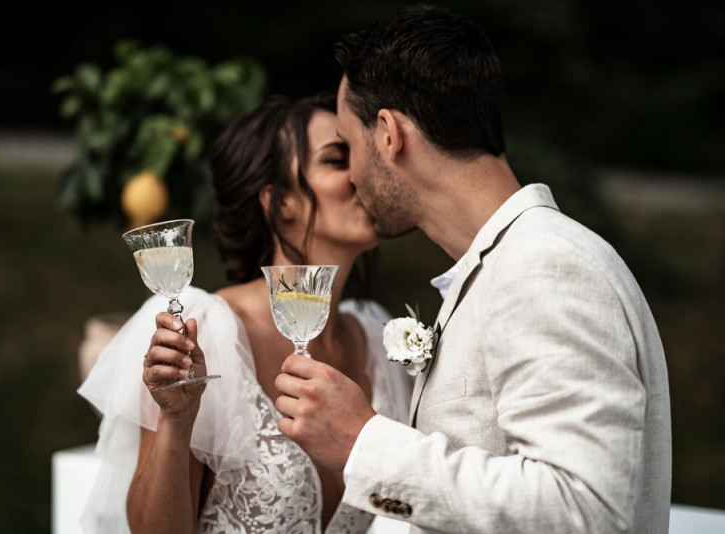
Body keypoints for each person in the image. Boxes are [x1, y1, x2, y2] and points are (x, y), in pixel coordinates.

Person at [273, 5, 672, 533]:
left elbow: (584, 511)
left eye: (347, 146)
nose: (349, 172)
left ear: (389, 134)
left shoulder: (545, 267)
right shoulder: (507, 264)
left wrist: (362, 442)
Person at [77, 94, 413, 533]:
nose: (363, 172)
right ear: (281, 202)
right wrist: (176, 421)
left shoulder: (374, 337)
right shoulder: (206, 328)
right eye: (337, 158)